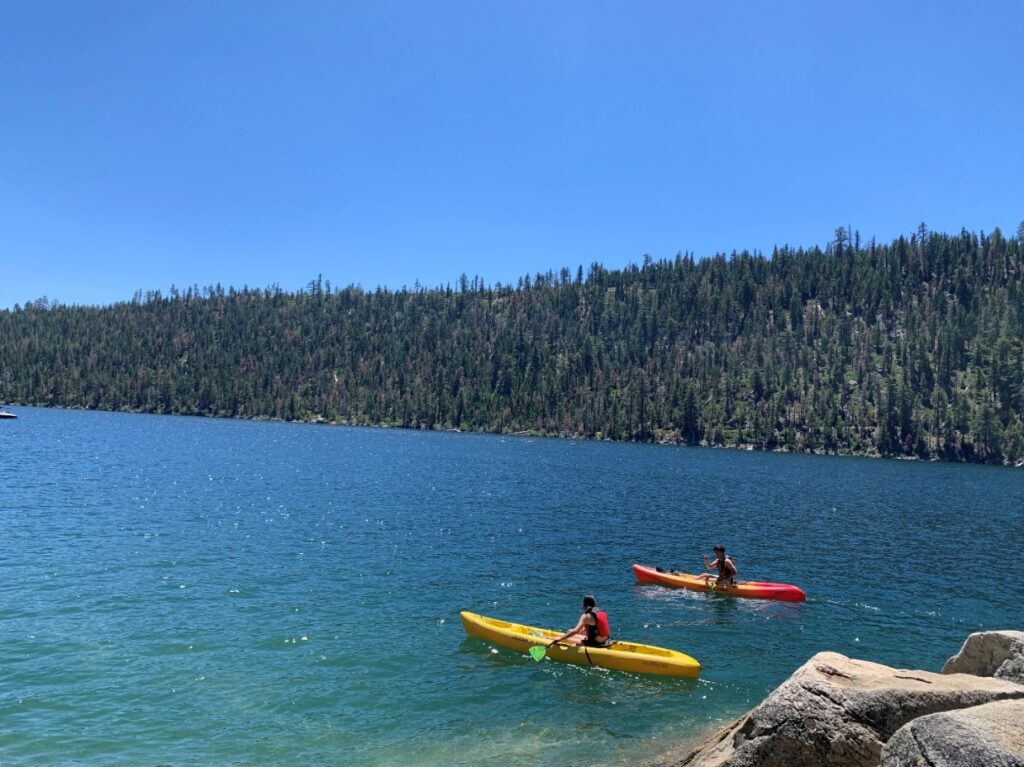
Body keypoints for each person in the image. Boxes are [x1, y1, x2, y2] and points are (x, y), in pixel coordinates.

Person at [547, 595, 612, 648]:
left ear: (584, 604)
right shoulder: (601, 611)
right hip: (606, 640)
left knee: (563, 638)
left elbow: (576, 631)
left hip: (595, 644)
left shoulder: (586, 616)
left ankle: (549, 639)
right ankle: (552, 638)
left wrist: (560, 639)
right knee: (569, 631)